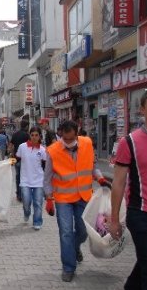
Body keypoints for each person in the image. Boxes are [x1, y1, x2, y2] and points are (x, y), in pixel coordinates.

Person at [44, 120, 107, 282]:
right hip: (63, 198)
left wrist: (99, 178)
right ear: (61, 134)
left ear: (76, 133)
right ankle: (68, 267)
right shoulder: (52, 151)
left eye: (72, 139)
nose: (69, 143)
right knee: (65, 232)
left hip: (84, 196)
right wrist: (49, 198)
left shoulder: (86, 144)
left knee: (83, 231)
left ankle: (74, 247)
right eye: (66, 139)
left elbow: (92, 167)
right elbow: (47, 177)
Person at [109, 90, 147, 290]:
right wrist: (114, 219)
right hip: (140, 213)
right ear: (142, 110)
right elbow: (118, 183)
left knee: (144, 263)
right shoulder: (129, 142)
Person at [16, 126, 46, 230]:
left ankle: (37, 221)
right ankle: (26, 213)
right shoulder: (22, 147)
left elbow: (45, 165)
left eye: (36, 135)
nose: (34, 137)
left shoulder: (42, 150)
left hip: (39, 181)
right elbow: (17, 158)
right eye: (32, 135)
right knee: (26, 202)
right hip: (25, 180)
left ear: (39, 136)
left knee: (38, 203)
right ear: (29, 135)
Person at [10, 120, 30, 202]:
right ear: (26, 126)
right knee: (25, 178)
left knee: (18, 177)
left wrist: (11, 155)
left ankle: (19, 194)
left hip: (16, 159)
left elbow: (11, 145)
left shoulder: (15, 134)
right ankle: (23, 195)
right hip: (25, 160)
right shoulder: (27, 135)